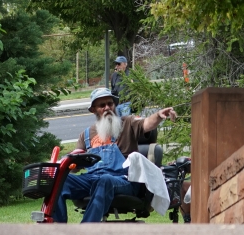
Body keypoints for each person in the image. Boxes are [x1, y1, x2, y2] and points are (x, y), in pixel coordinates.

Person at [52, 87, 178, 223]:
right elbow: (75, 164)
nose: (107, 108)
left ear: (115, 105)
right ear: (93, 110)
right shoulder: (86, 135)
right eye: (102, 105)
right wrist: (67, 163)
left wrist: (158, 115)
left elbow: (147, 124)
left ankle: (86, 230)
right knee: (58, 181)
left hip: (123, 180)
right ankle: (59, 229)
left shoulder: (128, 123)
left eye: (110, 104)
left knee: (105, 180)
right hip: (91, 179)